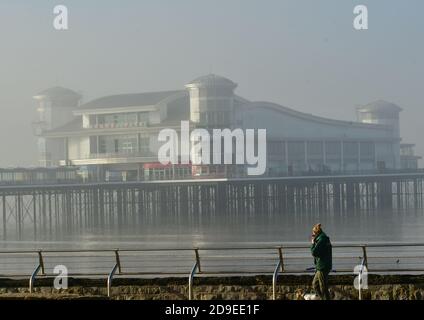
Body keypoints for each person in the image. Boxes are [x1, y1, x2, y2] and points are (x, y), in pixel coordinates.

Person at [310, 223, 332, 300]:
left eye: (313, 233)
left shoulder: (322, 240)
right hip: (321, 266)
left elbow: (314, 252)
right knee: (315, 285)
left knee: (323, 286)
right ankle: (323, 298)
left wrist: (312, 244)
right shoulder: (322, 239)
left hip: (323, 266)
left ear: (317, 233)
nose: (312, 235)